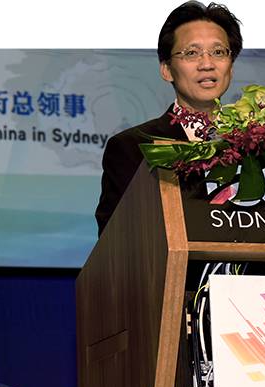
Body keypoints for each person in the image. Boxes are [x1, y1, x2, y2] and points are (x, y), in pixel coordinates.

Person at [94, 1, 243, 235]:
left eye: (218, 52)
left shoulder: (260, 144)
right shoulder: (131, 148)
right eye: (191, 53)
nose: (207, 64)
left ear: (231, 67)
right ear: (166, 69)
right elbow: (116, 238)